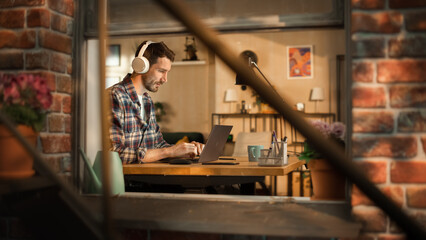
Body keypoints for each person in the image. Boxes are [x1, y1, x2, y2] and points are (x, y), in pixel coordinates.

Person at [108, 41, 204, 164]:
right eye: (161, 71)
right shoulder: (115, 96)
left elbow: (157, 144)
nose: (165, 79)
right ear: (141, 66)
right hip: (126, 181)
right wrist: (169, 152)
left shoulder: (147, 100)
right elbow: (114, 154)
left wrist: (185, 150)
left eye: (167, 72)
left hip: (148, 178)